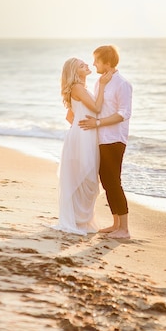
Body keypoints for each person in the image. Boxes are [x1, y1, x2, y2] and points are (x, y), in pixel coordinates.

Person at [52, 57, 112, 235]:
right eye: (81, 65)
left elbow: (69, 117)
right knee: (87, 178)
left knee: (88, 179)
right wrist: (102, 85)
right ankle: (78, 221)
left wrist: (77, 125)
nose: (86, 65)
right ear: (74, 72)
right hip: (83, 136)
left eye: (85, 63)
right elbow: (96, 108)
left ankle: (80, 220)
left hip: (82, 135)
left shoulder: (79, 88)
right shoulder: (78, 88)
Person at [78, 45, 133, 239]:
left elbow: (123, 114)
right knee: (107, 181)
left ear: (107, 63)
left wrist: (97, 123)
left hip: (115, 139)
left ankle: (125, 229)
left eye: (97, 61)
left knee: (114, 182)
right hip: (101, 139)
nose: (94, 64)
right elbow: (97, 107)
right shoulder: (99, 83)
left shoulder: (122, 84)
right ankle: (116, 224)